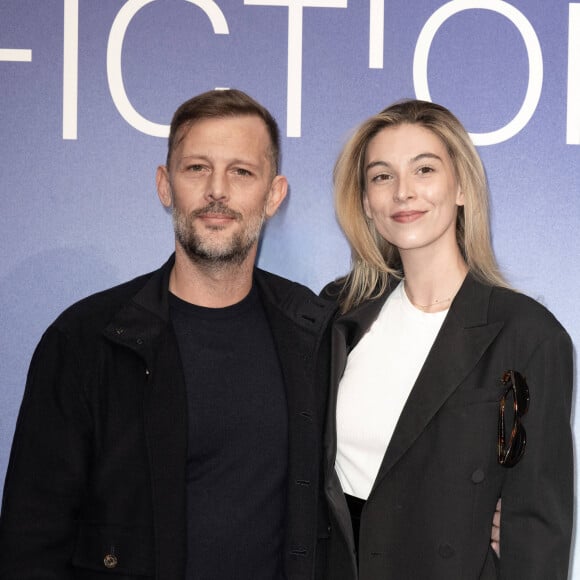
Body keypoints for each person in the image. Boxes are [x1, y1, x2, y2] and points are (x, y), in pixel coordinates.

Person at [0, 89, 335, 579]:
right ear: (164, 185)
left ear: (273, 194)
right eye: (196, 168)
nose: (217, 190)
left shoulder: (314, 330)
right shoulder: (86, 339)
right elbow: (30, 540)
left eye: (241, 172)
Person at [321, 99, 573, 579]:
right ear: (366, 204)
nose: (403, 193)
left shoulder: (528, 336)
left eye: (424, 169)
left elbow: (538, 529)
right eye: (381, 176)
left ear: (460, 188)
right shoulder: (337, 315)